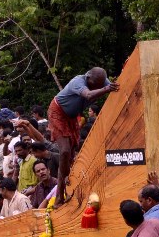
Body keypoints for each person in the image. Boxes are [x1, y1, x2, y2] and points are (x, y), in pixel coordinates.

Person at [48, 67, 120, 202]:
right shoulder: (78, 82)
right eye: (96, 85)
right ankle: (58, 196)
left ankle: (70, 189)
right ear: (88, 78)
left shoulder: (103, 82)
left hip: (73, 116)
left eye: (101, 84)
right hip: (58, 113)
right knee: (64, 152)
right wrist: (106, 89)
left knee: (70, 156)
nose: (99, 86)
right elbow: (88, 95)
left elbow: (114, 89)